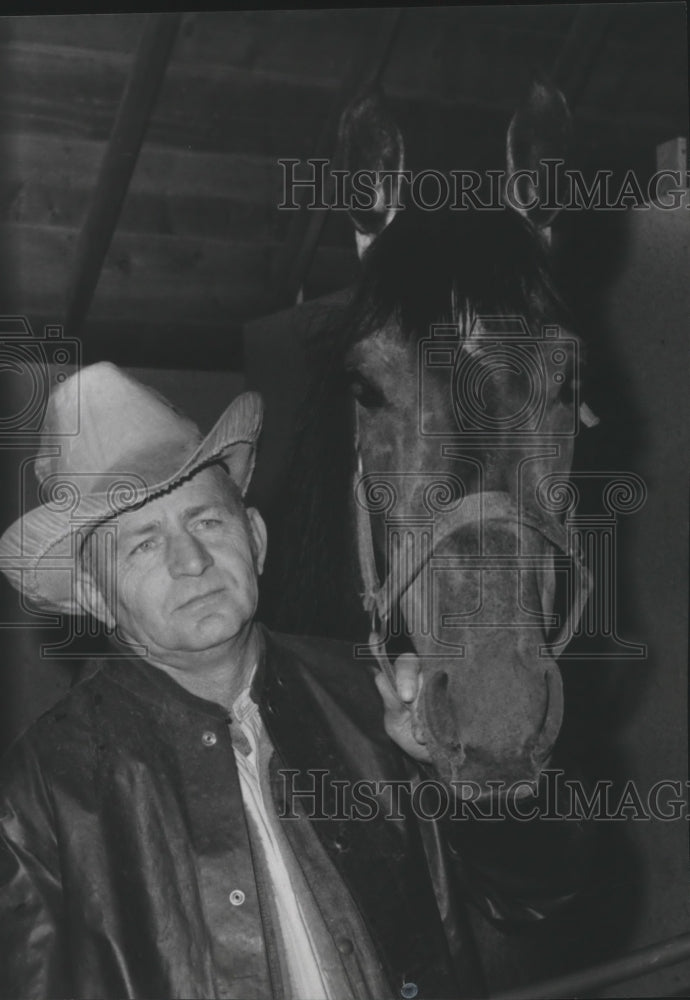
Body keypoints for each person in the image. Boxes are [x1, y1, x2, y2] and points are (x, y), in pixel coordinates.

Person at [0, 363, 592, 1000]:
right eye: (142, 544)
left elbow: (534, 902)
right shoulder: (40, 790)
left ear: (255, 538)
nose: (192, 561)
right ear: (94, 595)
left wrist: (469, 772)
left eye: (207, 521)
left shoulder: (387, 697)